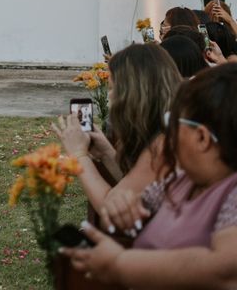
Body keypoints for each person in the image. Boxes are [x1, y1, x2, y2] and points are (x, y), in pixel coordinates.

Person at [61, 64, 237, 289]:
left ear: (202, 138)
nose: (166, 137)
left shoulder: (232, 192)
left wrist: (119, 263)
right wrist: (121, 207)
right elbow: (127, 205)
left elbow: (225, 271)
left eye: (171, 124)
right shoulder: (182, 181)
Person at [53, 43, 182, 233]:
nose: (109, 97)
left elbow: (111, 208)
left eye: (112, 89)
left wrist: (79, 155)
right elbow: (138, 186)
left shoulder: (162, 144)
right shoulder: (171, 127)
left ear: (131, 95)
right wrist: (107, 153)